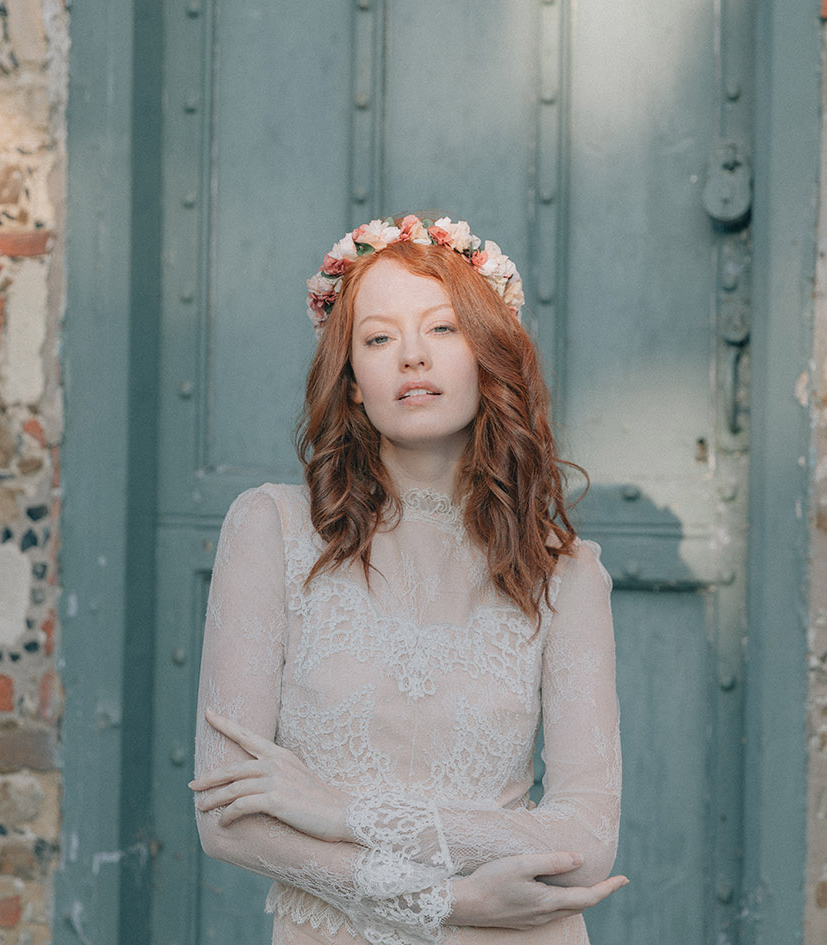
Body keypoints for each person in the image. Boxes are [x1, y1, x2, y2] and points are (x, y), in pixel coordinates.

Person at [189, 214, 625, 944]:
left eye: (443, 330)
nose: (412, 357)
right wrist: (446, 902)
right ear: (353, 382)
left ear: (488, 358)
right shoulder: (270, 529)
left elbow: (587, 838)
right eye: (379, 337)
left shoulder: (566, 571)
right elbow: (228, 822)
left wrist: (342, 813)